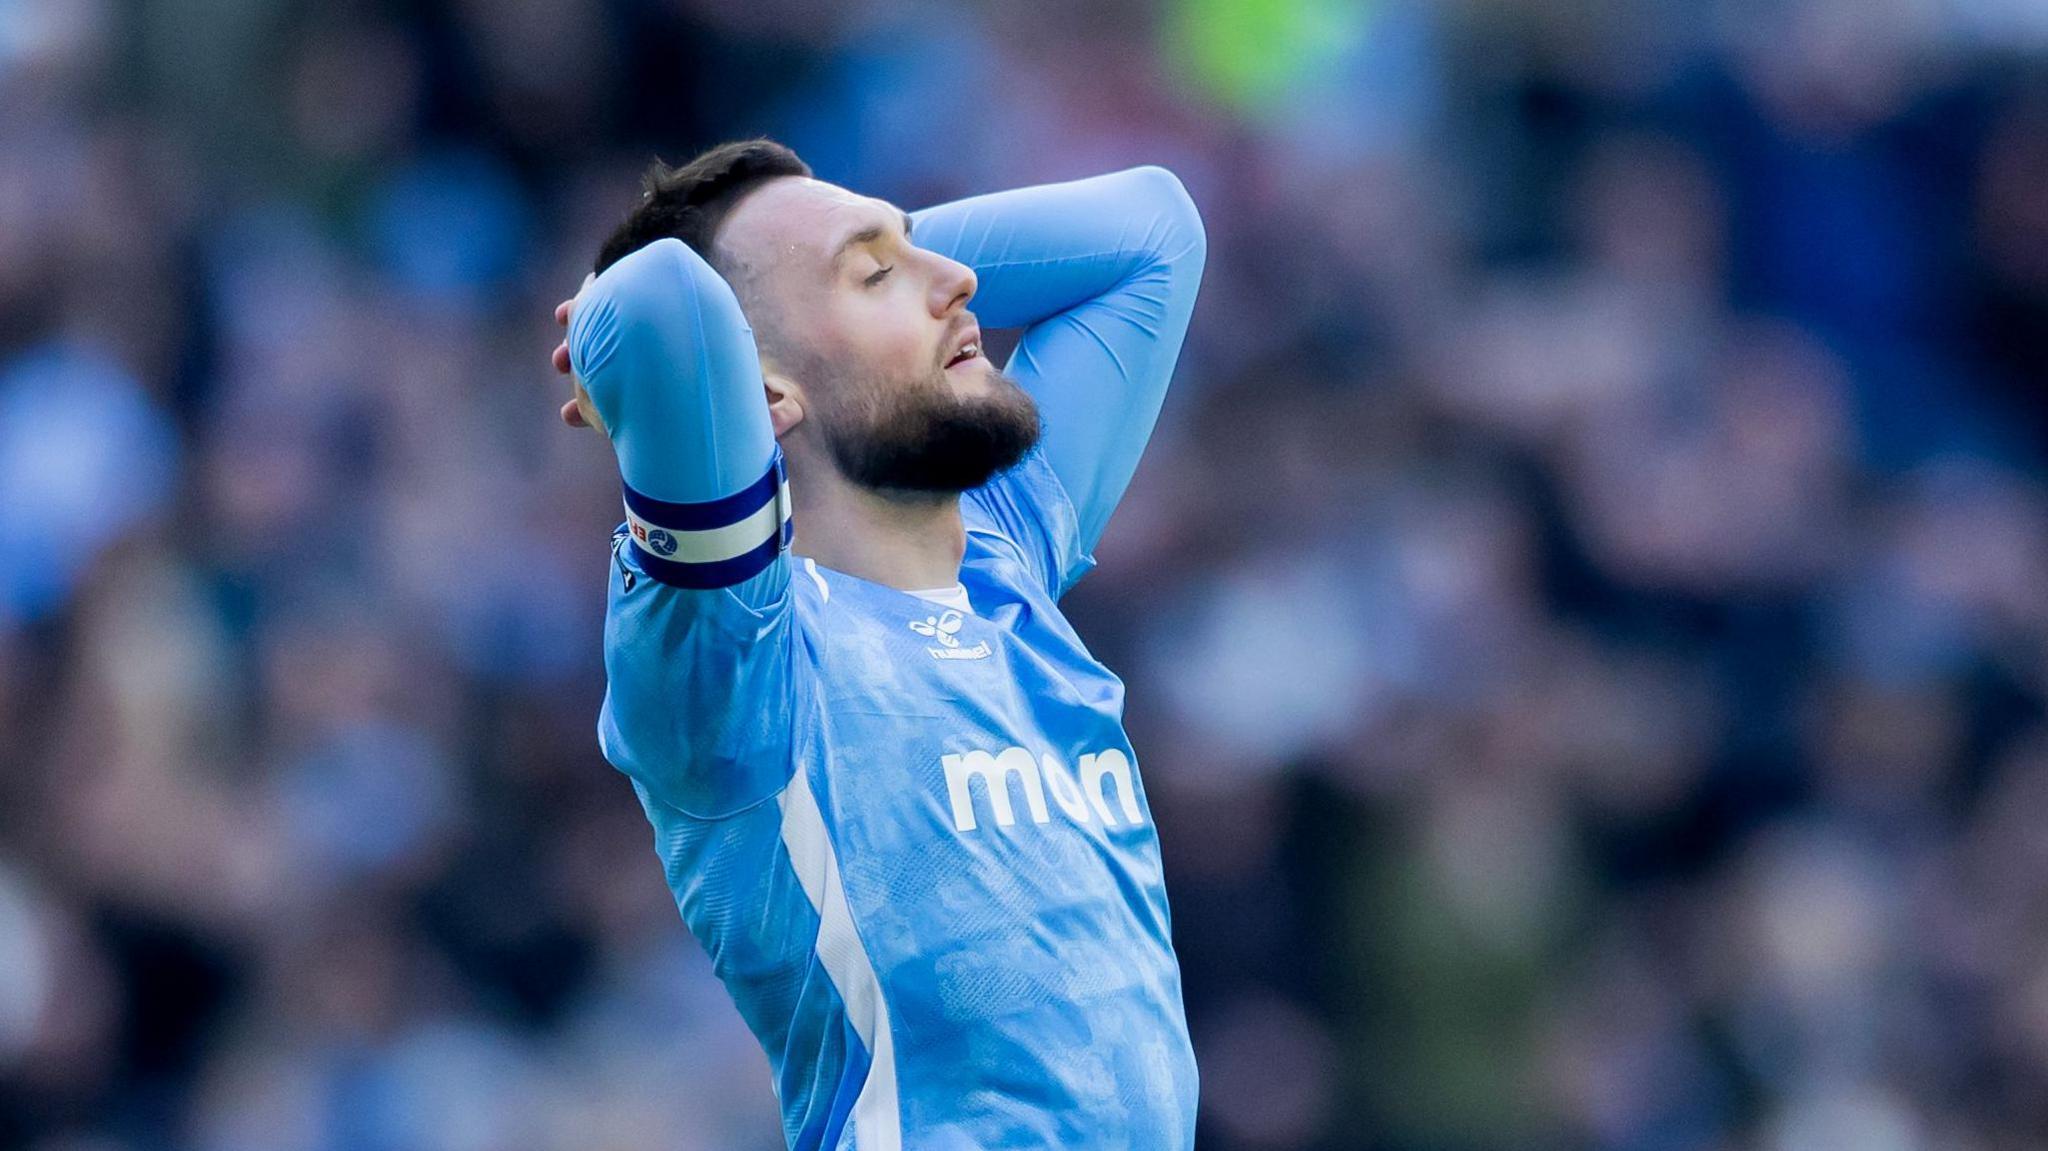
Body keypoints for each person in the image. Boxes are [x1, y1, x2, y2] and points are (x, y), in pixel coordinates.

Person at [549, 138, 1207, 1151]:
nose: (960, 282)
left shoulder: (1002, 555)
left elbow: (1150, 230)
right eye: (876, 276)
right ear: (762, 392)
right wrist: (633, 326)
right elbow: (656, 304)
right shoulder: (733, 657)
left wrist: (859, 262)